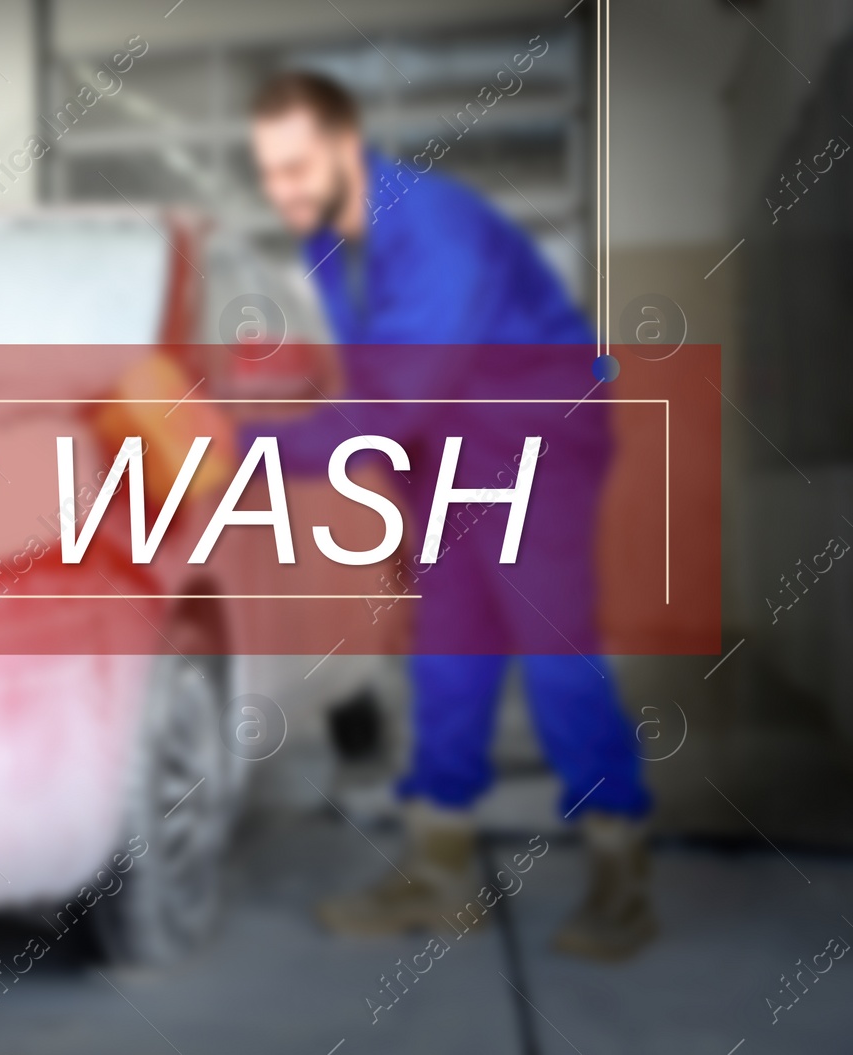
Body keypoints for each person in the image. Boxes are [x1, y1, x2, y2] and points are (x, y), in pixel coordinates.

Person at [242, 71, 655, 961]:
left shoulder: (431, 228)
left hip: (536, 443)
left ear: (348, 143)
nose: (284, 190)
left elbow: (392, 399)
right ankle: (439, 874)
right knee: (447, 654)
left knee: (552, 653)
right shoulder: (326, 248)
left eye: (299, 166)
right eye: (269, 173)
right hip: (450, 457)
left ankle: (621, 870)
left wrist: (236, 449)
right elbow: (383, 393)